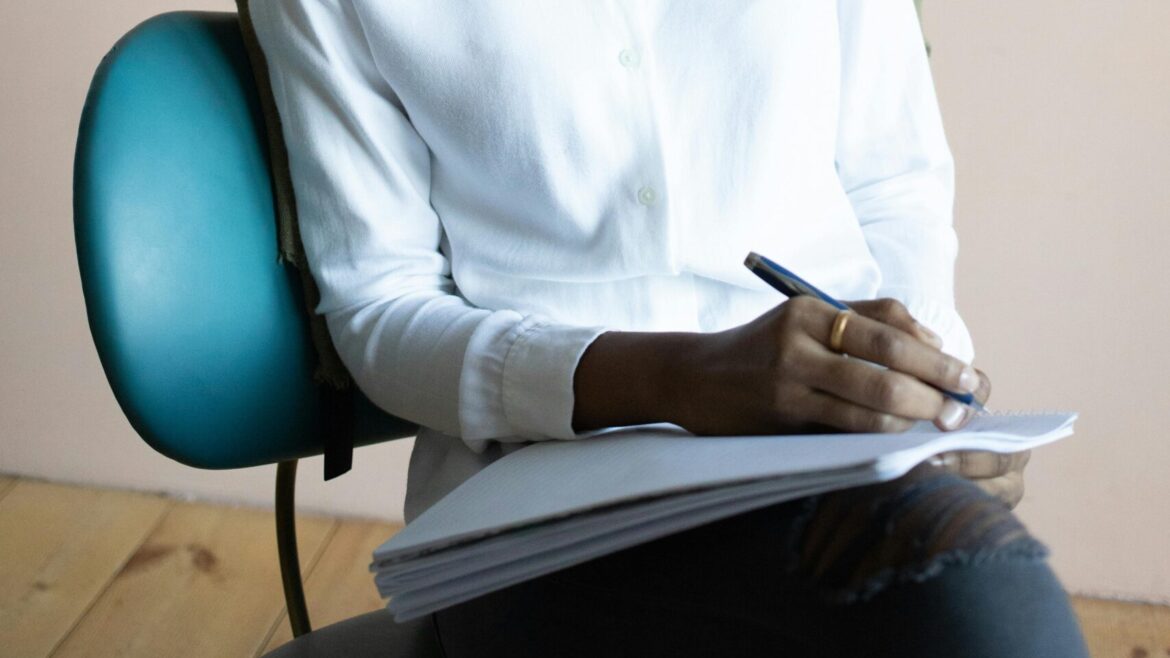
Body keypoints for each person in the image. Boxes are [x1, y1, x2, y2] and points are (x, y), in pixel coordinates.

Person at [250, 1, 1090, 655]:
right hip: (537, 518)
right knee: (965, 603)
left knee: (973, 583)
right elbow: (378, 307)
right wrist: (674, 377)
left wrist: (918, 389)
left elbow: (891, 186)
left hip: (829, 454)